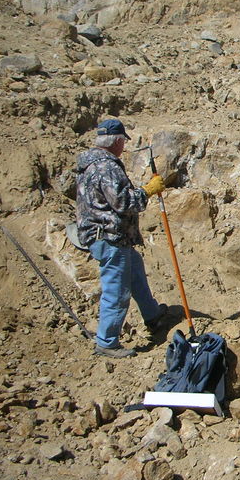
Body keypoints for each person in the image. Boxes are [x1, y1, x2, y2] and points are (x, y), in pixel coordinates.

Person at [76, 118, 168, 358]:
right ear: (116, 141)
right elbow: (124, 202)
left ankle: (152, 315)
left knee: (135, 270)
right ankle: (107, 341)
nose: (123, 147)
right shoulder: (106, 167)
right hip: (109, 236)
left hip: (109, 236)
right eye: (122, 142)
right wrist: (148, 190)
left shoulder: (90, 165)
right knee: (116, 290)